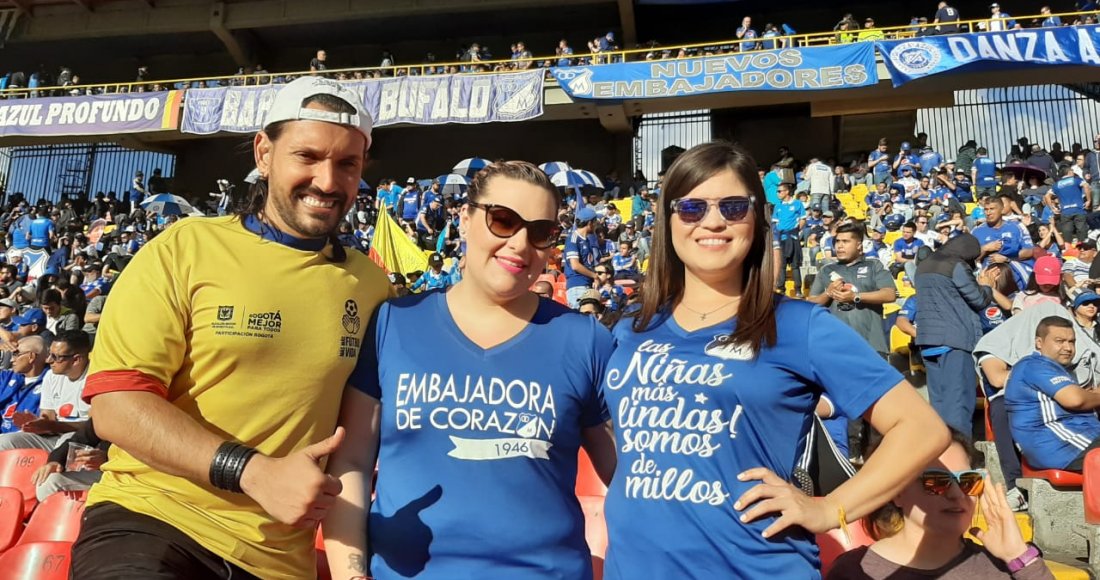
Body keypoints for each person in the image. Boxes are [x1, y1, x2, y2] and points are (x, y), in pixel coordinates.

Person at [70, 76, 392, 579]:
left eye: (347, 164)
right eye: (306, 156)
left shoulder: (371, 284)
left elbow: (353, 446)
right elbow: (117, 406)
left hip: (278, 561)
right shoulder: (184, 248)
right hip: (154, 521)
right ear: (264, 153)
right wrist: (253, 472)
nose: (328, 182)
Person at [600, 141, 948, 578]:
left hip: (754, 567)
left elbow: (921, 428)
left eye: (732, 207)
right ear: (667, 221)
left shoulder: (799, 325)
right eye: (690, 207)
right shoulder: (630, 329)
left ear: (758, 221)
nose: (712, 221)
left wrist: (830, 509)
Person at [323, 161, 615, 579]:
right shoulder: (393, 323)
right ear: (465, 218)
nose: (519, 244)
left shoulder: (585, 339)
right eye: (502, 220)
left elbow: (632, 474)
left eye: (539, 232)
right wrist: (350, 574)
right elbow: (351, 460)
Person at [827, 429, 1052, 579]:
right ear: (896, 492)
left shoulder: (1003, 566)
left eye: (967, 480)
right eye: (936, 481)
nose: (956, 494)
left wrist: (1019, 556)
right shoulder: (856, 571)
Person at [914, 234, 993, 434]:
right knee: (958, 405)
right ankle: (960, 457)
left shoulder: (923, 266)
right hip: (955, 341)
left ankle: (941, 458)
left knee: (938, 405)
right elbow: (978, 300)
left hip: (928, 342)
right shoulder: (956, 265)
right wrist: (987, 286)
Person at [1006, 316, 1100, 471]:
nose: (1068, 348)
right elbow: (1075, 400)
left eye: (1072, 342)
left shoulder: (1053, 368)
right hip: (1063, 446)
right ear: (1039, 343)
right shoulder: (1034, 365)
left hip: (1076, 440)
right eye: (1059, 341)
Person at [808, 222, 897, 355]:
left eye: (845, 241)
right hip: (835, 348)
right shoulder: (826, 270)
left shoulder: (874, 265)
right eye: (837, 241)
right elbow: (810, 303)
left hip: (871, 346)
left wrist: (855, 297)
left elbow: (889, 294)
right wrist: (828, 293)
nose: (840, 246)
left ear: (859, 245)